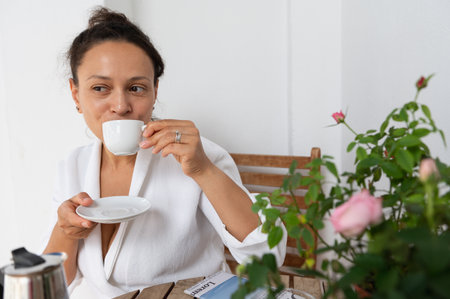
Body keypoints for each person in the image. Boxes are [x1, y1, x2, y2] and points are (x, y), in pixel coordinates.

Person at [42, 7, 286, 298]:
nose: (121, 105)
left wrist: (203, 170)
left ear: (154, 91)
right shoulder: (73, 164)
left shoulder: (199, 156)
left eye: (136, 87)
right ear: (75, 94)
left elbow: (267, 257)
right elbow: (55, 283)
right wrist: (65, 230)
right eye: (100, 88)